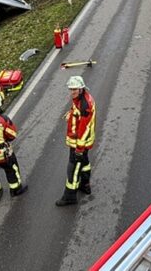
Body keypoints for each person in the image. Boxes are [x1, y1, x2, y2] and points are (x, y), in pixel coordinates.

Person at [56, 76, 96, 206]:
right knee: (84, 163)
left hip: (79, 143)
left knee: (72, 168)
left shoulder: (84, 105)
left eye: (74, 89)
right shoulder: (82, 99)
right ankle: (85, 185)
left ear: (81, 89)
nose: (72, 92)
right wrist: (71, 113)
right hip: (81, 142)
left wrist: (79, 148)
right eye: (71, 89)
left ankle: (69, 196)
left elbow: (84, 128)